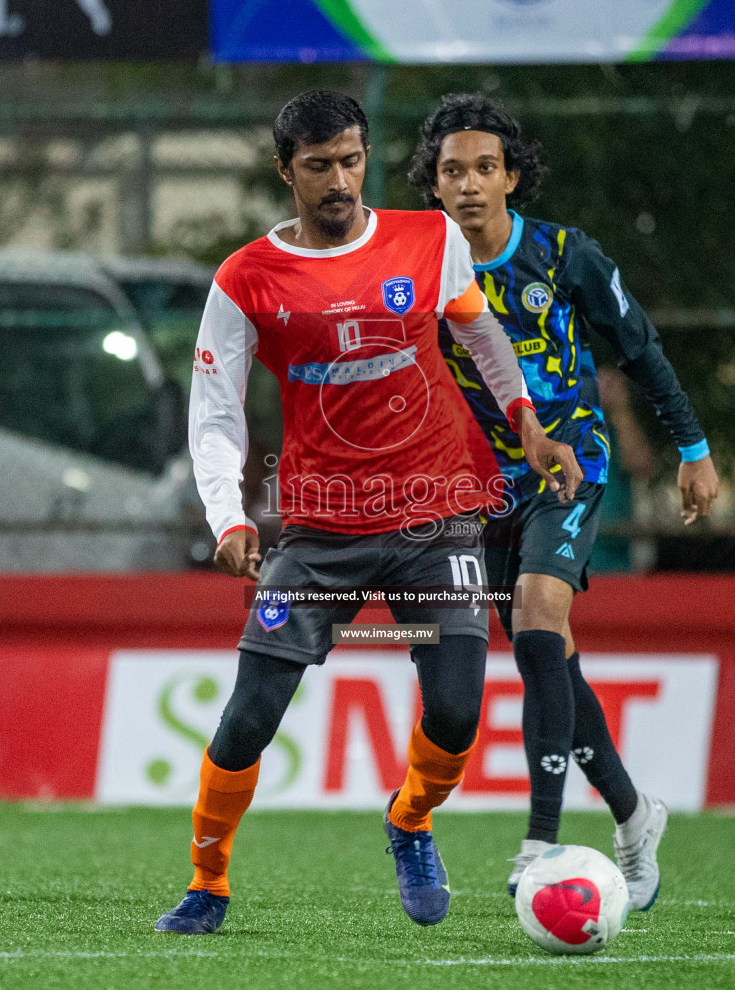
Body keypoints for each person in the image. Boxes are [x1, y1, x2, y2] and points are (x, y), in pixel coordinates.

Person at [155, 91, 581, 936]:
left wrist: (527, 426)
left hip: (437, 512)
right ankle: (208, 883)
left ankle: (411, 820)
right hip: (320, 525)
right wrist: (227, 520)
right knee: (249, 717)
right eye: (319, 166)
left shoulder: (429, 240)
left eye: (351, 160)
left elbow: (482, 337)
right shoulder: (247, 278)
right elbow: (214, 411)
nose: (340, 180)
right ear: (286, 171)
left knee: (457, 711)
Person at [409, 93, 719, 910]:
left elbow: (640, 349)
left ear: (512, 176)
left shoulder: (563, 255)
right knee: (548, 657)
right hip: (481, 485)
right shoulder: (418, 264)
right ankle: (632, 812)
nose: (469, 184)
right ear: (433, 185)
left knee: (541, 615)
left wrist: (693, 449)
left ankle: (539, 841)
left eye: (485, 168)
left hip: (569, 467)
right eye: (452, 171)